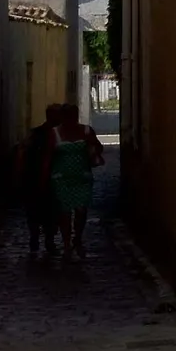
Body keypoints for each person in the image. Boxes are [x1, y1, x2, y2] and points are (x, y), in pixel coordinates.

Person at [41, 103, 104, 261]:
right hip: (61, 178)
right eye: (67, 115)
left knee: (81, 211)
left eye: (72, 115)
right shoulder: (54, 133)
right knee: (65, 212)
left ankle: (78, 238)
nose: (70, 119)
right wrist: (44, 178)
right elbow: (48, 157)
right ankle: (67, 244)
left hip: (81, 177)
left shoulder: (86, 131)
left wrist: (92, 148)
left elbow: (98, 148)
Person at [16, 105, 64, 260]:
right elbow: (23, 154)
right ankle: (40, 241)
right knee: (41, 212)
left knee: (43, 212)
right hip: (39, 179)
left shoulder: (38, 133)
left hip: (41, 179)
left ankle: (41, 242)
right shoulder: (44, 134)